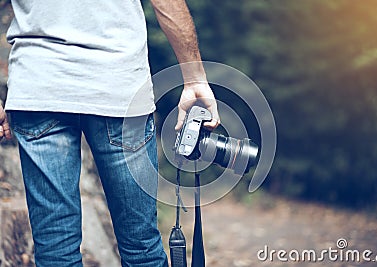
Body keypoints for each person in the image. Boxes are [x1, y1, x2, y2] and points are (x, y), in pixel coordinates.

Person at [0, 0, 219, 266]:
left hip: (39, 85)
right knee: (142, 250)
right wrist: (194, 78)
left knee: (55, 251)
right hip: (118, 86)